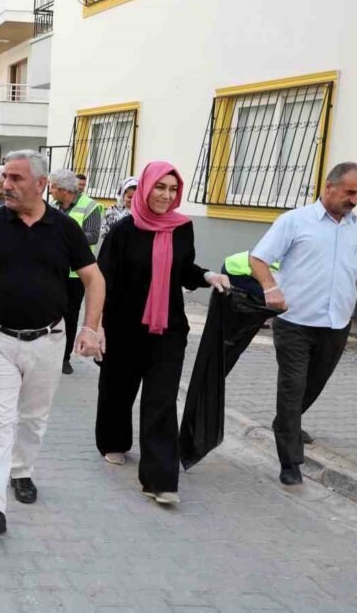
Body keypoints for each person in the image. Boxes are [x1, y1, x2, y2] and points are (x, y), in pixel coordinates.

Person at [0, 150, 103, 534]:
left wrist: (90, 327)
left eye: (17, 179)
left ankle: (22, 470)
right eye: (5, 178)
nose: (7, 185)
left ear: (40, 185)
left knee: (33, 419)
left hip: (48, 340)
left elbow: (94, 279)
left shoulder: (64, 228)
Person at [249, 162, 357, 486]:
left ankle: (287, 423)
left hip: (336, 324)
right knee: (293, 387)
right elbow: (258, 258)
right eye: (349, 192)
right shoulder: (295, 221)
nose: (355, 200)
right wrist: (271, 288)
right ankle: (290, 461)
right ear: (329, 187)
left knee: (314, 384)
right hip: (294, 322)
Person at [94, 161, 230, 505]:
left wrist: (208, 276)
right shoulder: (123, 232)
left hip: (169, 328)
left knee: (162, 401)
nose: (166, 196)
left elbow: (183, 270)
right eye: (160, 187)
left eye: (173, 189)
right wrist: (95, 327)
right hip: (124, 328)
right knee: (118, 391)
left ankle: (159, 480)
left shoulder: (181, 228)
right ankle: (113, 441)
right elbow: (101, 281)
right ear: (144, 188)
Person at [50, 168, 104, 375]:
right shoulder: (53, 207)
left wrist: (63, 237)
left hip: (76, 273)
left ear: (65, 190)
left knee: (70, 316)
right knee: (51, 313)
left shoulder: (90, 206)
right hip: (55, 270)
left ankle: (64, 358)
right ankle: (50, 355)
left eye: (54, 187)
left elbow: (91, 236)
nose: (51, 190)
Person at [101, 176, 136, 241]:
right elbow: (104, 230)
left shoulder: (141, 213)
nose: (132, 200)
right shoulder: (112, 210)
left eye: (135, 197)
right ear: (123, 196)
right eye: (129, 197)